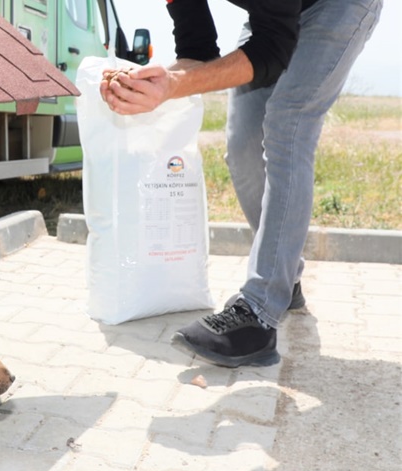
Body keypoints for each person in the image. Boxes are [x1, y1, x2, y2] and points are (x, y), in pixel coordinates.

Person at [100, 0, 382, 368]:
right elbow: (197, 53)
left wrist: (172, 86)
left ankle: (259, 315)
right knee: (242, 145)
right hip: (275, 18)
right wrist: (144, 86)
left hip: (338, 6)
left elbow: (271, 49)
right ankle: (285, 278)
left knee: (288, 123)